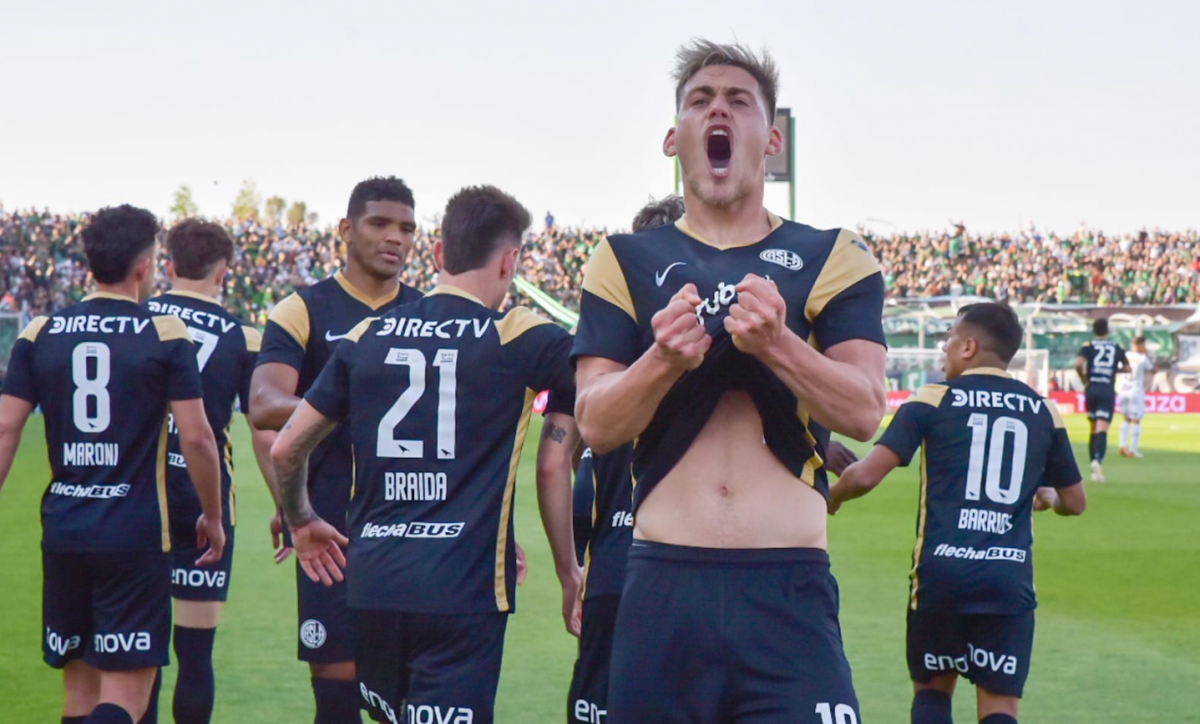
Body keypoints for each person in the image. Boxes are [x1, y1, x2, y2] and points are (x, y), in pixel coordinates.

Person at [573, 40, 887, 722]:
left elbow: (864, 411)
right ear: (673, 138)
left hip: (788, 587)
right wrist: (662, 360)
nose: (719, 109)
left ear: (770, 140)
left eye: (738, 101)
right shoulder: (623, 259)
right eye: (700, 101)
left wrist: (778, 346)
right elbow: (595, 425)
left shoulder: (833, 254)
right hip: (661, 586)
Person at [270, 185, 582, 724]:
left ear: (438, 256)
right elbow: (604, 391)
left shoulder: (368, 333)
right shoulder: (518, 335)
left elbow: (285, 447)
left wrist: (301, 519)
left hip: (372, 587)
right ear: (511, 262)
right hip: (461, 594)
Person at [0, 205, 224, 724]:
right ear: (145, 265)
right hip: (134, 533)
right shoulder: (165, 334)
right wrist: (212, 516)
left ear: (88, 261)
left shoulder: (39, 332)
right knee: (126, 697)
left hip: (63, 530)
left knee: (79, 696)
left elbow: (7, 427)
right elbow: (197, 437)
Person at [828, 302, 1086, 724]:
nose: (943, 347)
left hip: (940, 575)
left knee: (932, 694)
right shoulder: (1042, 407)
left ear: (968, 347)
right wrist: (1047, 499)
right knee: (1000, 706)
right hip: (1008, 579)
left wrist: (831, 499)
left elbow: (863, 477)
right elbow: (1075, 502)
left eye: (948, 337)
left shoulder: (932, 398)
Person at [248, 177, 423, 724]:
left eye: (407, 228)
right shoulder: (302, 309)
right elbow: (264, 402)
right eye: (380, 223)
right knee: (338, 694)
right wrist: (354, 398)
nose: (395, 237)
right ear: (346, 229)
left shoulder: (431, 312)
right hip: (332, 528)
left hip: (416, 525)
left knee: (413, 695)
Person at [143, 219, 277, 724]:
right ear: (225, 273)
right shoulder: (246, 337)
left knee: (141, 650)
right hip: (206, 501)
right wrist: (289, 505)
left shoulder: (138, 318)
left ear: (169, 265)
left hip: (140, 496)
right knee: (195, 654)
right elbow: (264, 434)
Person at [567, 194, 683, 724]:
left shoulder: (605, 352)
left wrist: (576, 567)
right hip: (695, 564)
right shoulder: (713, 345)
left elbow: (564, 458)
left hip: (612, 564)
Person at [1074, 318, 1130, 482]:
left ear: (1094, 330)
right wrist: (1113, 371)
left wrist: (1085, 379)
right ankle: (1097, 461)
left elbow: (1078, 364)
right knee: (1102, 429)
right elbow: (1128, 368)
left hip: (1091, 388)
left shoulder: (1088, 346)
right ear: (1107, 330)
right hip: (1106, 389)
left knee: (1092, 428)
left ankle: (1093, 465)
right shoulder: (1116, 347)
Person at [1117, 336, 1152, 458]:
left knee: (1126, 418)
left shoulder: (1125, 355)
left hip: (1123, 390)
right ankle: (1132, 449)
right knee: (1136, 420)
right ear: (1140, 345)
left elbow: (1119, 368)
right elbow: (1152, 370)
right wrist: (1148, 356)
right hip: (1135, 391)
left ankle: (1122, 445)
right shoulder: (1142, 358)